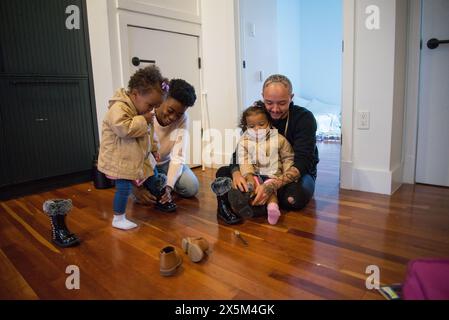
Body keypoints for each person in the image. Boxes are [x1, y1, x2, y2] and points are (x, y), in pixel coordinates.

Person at [214, 74, 319, 225]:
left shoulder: (304, 119)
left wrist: (271, 185)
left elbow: (303, 162)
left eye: (282, 103)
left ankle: (255, 202)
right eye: (269, 102)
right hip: (258, 171)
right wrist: (237, 173)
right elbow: (239, 152)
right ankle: (226, 207)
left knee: (293, 200)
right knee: (223, 173)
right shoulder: (258, 115)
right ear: (263, 97)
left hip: (294, 172)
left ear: (291, 97)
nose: (275, 109)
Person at [97, 66, 175, 230]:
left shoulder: (143, 113)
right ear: (135, 94)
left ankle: (159, 195)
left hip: (138, 156)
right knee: (123, 187)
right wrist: (142, 119)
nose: (152, 110)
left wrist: (154, 147)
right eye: (150, 105)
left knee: (153, 174)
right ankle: (118, 217)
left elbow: (150, 132)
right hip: (120, 160)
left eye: (155, 106)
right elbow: (123, 128)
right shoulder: (118, 108)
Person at [211, 101, 295, 225]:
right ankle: (243, 203)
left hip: (273, 176)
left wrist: (287, 173)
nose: (257, 129)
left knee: (270, 190)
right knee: (250, 186)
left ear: (269, 123)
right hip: (254, 174)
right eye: (251, 126)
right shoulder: (244, 141)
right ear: (246, 127)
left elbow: (288, 157)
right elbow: (243, 160)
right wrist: (248, 175)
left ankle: (273, 208)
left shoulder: (279, 139)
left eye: (261, 124)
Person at [132, 79, 199, 206]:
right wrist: (136, 189)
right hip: (143, 165)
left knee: (192, 186)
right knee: (140, 195)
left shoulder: (183, 119)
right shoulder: (145, 113)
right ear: (162, 99)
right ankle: (144, 186)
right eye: (170, 111)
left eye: (179, 114)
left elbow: (178, 156)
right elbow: (126, 154)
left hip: (165, 163)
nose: (173, 117)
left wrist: (168, 187)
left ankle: (161, 184)